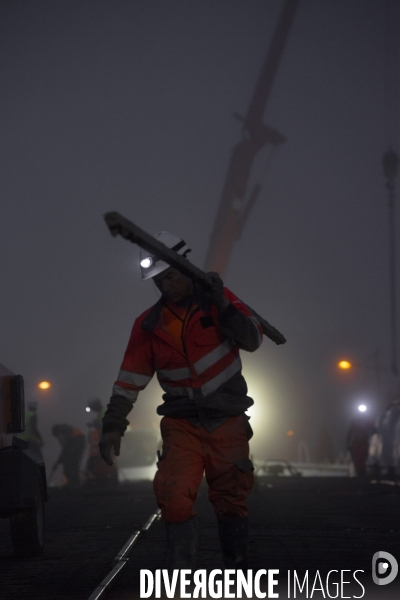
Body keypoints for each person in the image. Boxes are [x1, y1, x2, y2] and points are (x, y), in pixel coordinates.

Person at [99, 231, 263, 571]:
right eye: (158, 281)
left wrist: (223, 307)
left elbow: (251, 339)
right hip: (181, 424)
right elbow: (130, 379)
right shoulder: (148, 326)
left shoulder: (221, 302)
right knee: (173, 496)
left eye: (170, 276)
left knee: (231, 501)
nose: (165, 286)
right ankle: (182, 581)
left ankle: (236, 574)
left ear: (187, 269)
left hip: (226, 420)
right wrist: (113, 424)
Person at [346, 411, 376, 477]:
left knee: (364, 458)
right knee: (357, 458)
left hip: (364, 443)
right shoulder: (355, 422)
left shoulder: (367, 421)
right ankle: (358, 471)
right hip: (357, 443)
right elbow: (350, 432)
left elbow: (373, 429)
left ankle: (362, 471)